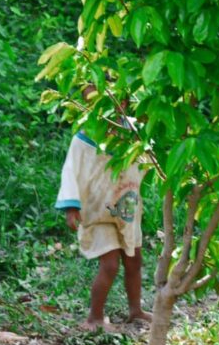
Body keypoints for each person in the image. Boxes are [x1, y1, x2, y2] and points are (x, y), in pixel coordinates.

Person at [55, 88, 152, 331]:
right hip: (98, 214)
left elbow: (149, 157)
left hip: (128, 210)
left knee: (134, 260)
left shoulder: (133, 132)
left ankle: (135, 310)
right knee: (109, 265)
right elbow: (70, 171)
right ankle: (94, 317)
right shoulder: (84, 138)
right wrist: (71, 207)